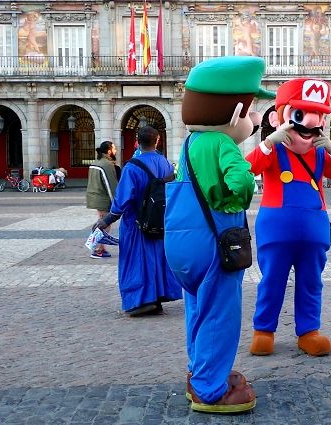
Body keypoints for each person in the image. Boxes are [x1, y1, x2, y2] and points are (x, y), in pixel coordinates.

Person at [164, 56, 270, 413]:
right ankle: (210, 390)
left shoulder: (191, 142)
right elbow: (241, 180)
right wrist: (236, 198)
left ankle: (201, 372)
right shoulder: (222, 143)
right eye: (251, 111)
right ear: (236, 111)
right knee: (220, 313)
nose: (255, 120)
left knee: (197, 308)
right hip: (214, 242)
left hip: (183, 243)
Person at [246, 78, 331, 359]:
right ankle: (263, 331)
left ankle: (308, 331)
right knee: (272, 281)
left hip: (314, 231)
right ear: (277, 118)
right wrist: (268, 142)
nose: (310, 124)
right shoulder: (274, 149)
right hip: (277, 230)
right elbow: (247, 169)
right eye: (300, 114)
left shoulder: (320, 152)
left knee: (311, 283)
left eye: (318, 116)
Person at [93, 126, 182, 316]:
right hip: (160, 220)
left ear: (137, 142)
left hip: (136, 223)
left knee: (136, 260)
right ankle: (157, 298)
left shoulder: (132, 167)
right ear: (157, 141)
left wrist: (108, 218)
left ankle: (140, 301)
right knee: (158, 257)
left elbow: (124, 197)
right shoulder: (166, 164)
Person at [86, 141, 118, 258]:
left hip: (95, 197)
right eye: (114, 149)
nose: (115, 151)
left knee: (102, 222)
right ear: (109, 151)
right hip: (103, 199)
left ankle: (100, 247)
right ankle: (97, 249)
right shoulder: (107, 165)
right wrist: (116, 202)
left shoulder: (96, 162)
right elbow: (111, 185)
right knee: (105, 224)